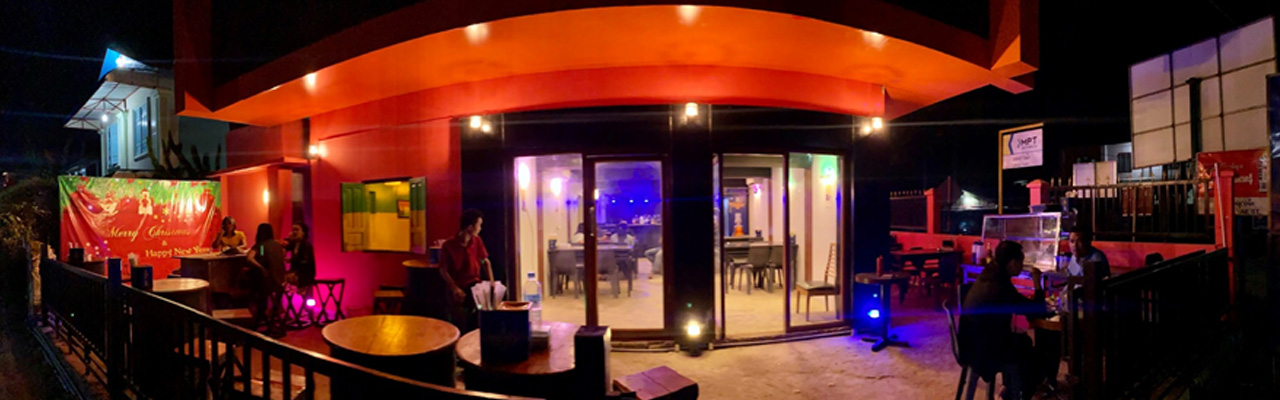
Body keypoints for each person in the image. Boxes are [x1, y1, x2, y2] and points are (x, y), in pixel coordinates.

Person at [959, 241, 1047, 400]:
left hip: (968, 344)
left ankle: (1009, 389)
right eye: (1021, 262)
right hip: (984, 350)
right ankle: (1017, 393)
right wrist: (1037, 282)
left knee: (1020, 343)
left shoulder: (989, 273)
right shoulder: (1000, 284)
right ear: (1012, 263)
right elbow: (1034, 311)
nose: (1022, 266)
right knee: (1030, 352)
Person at [441, 209, 495, 331]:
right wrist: (454, 287)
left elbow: (485, 262)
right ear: (470, 227)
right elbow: (443, 270)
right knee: (466, 305)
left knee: (486, 300)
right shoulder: (448, 245)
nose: (480, 228)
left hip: (475, 284)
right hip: (459, 285)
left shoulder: (477, 241)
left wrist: (492, 283)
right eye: (479, 225)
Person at [246, 223, 287, 337]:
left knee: (248, 280)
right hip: (279, 282)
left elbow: (250, 258)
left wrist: (261, 268)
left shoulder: (261, 246)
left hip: (267, 283)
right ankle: (265, 312)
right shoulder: (277, 245)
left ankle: (256, 314)